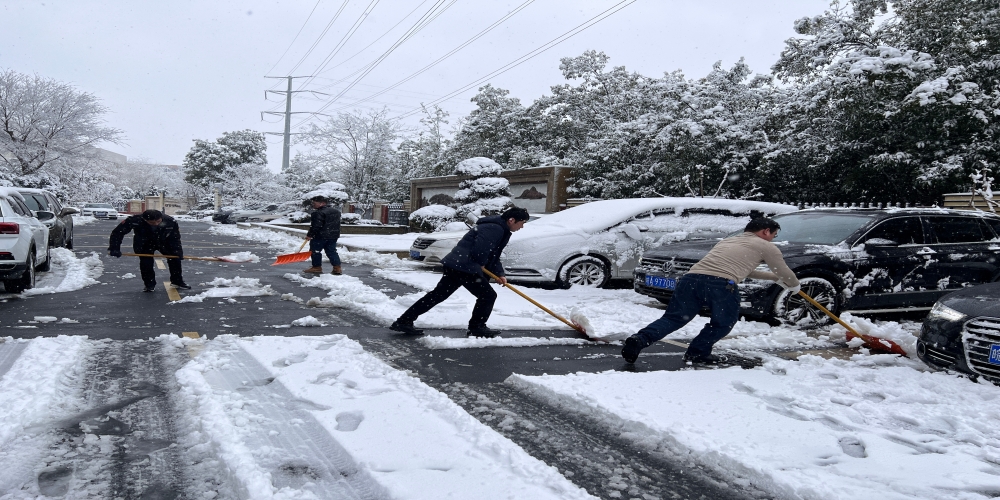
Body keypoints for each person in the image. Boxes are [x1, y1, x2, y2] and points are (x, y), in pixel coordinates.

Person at [622, 217, 800, 364]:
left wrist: (775, 279)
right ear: (765, 231)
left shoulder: (729, 241)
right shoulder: (766, 246)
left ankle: (639, 339)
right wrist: (793, 284)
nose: (772, 239)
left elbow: (743, 269)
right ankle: (698, 352)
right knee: (723, 322)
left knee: (673, 318)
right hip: (720, 285)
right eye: (773, 235)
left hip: (691, 279)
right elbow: (782, 270)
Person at [390, 206, 530, 338]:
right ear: (511, 220)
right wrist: (480, 263)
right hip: (465, 267)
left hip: (457, 265)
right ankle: (477, 327)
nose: (522, 226)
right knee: (487, 296)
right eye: (522, 223)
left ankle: (404, 321)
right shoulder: (495, 228)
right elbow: (481, 250)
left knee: (438, 295)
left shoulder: (498, 227)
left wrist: (500, 273)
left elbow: (493, 254)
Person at [108, 209, 190, 292]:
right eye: (152, 223)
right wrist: (114, 248)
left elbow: (175, 238)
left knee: (175, 259)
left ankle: (177, 281)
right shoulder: (134, 220)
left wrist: (178, 252)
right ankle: (149, 284)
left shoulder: (170, 221)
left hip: (164, 242)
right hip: (144, 243)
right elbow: (117, 233)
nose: (156, 224)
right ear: (145, 220)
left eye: (158, 221)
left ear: (161, 217)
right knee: (146, 263)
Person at [303, 195, 343, 275]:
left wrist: (310, 235)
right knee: (331, 251)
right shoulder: (336, 212)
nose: (313, 204)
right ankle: (337, 268)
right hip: (333, 236)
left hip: (320, 236)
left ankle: (316, 267)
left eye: (314, 203)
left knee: (315, 251)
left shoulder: (318, 213)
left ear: (322, 203)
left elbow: (316, 226)